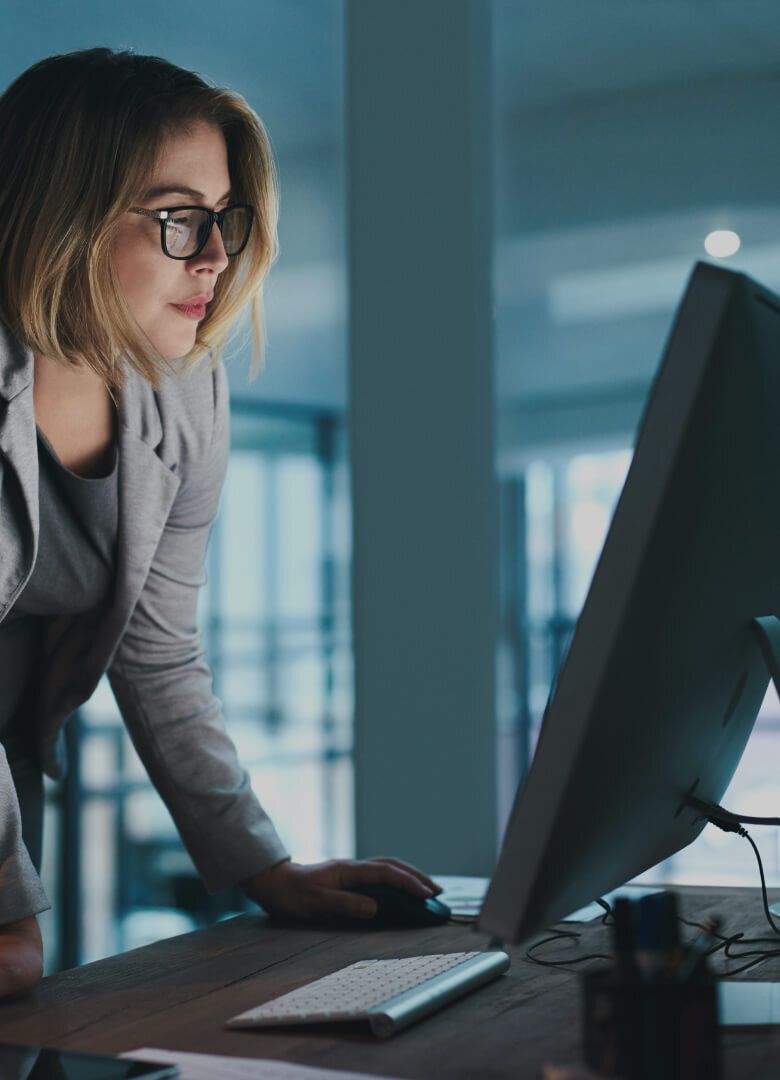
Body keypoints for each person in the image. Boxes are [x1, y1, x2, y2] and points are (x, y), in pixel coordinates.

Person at [0, 46, 439, 985]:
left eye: (224, 219)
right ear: (59, 217)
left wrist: (262, 867)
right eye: (176, 219)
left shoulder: (185, 391)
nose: (215, 255)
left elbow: (156, 651)